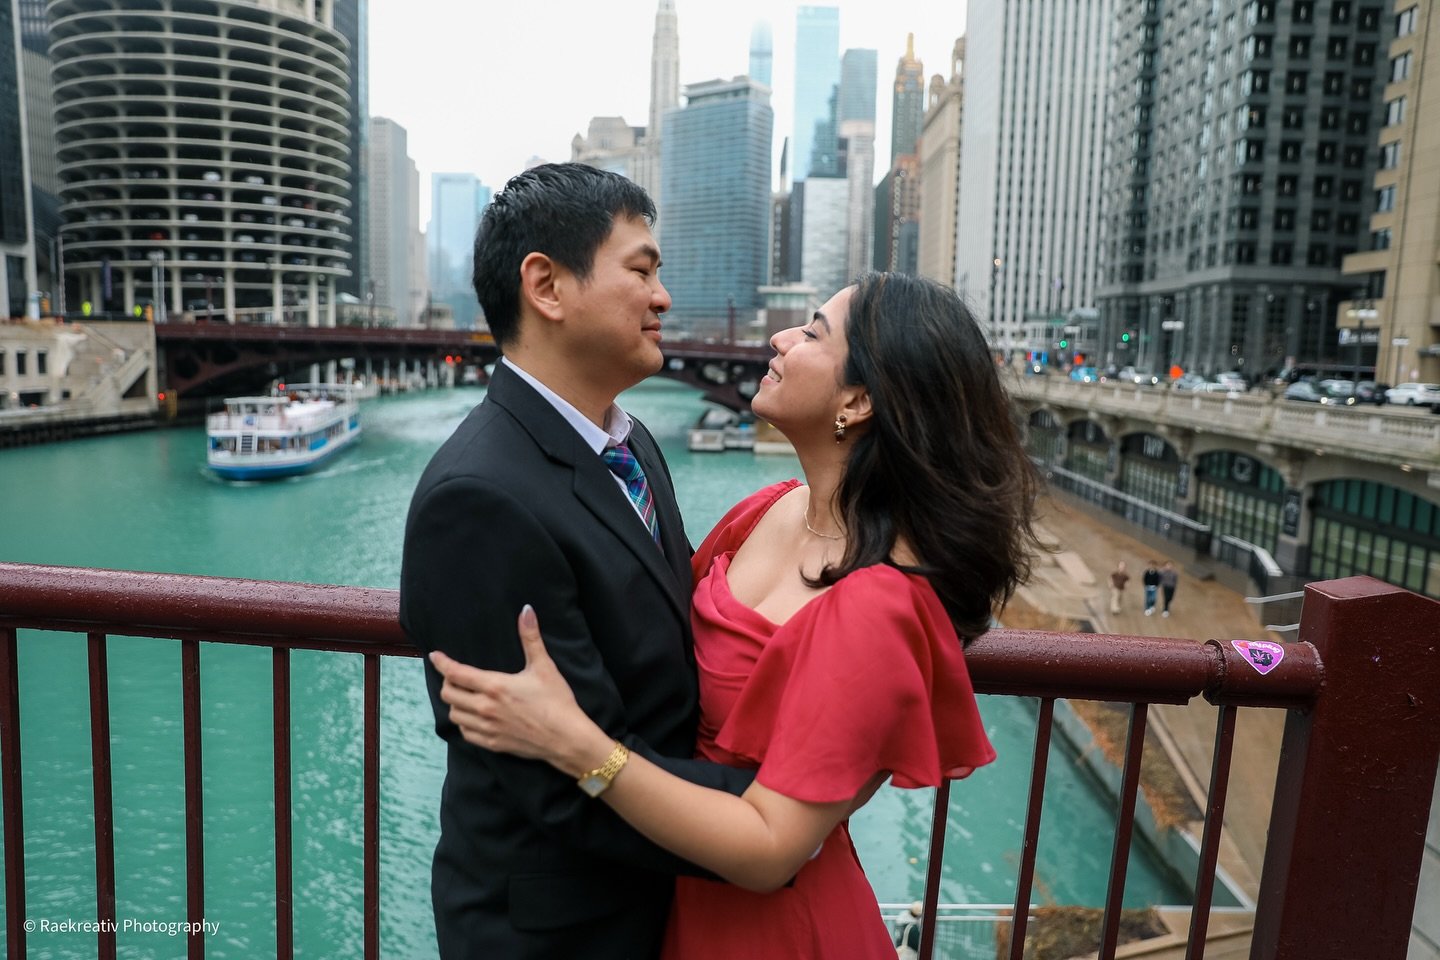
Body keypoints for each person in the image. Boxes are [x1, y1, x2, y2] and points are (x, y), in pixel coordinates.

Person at [429, 273, 1042, 958]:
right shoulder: (769, 510)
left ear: (859, 400)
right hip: (671, 896)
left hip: (767, 927)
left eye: (812, 332)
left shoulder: (880, 601)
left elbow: (771, 850)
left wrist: (577, 744)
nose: (779, 339)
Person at [399, 163, 755, 959]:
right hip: (560, 935)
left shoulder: (631, 448)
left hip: (651, 902)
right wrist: (772, 818)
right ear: (547, 287)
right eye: (642, 269)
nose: (663, 298)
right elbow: (563, 789)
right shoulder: (479, 499)